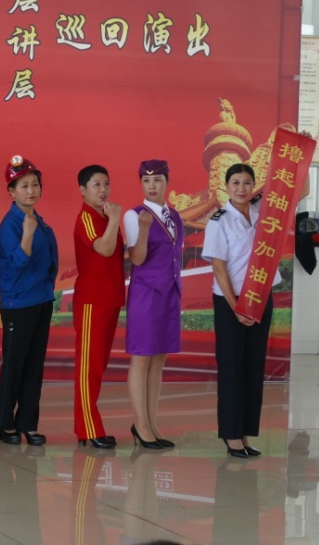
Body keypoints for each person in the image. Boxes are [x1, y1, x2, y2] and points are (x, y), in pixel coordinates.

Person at [201, 163, 284, 458]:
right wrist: (235, 307)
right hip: (231, 301)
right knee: (232, 366)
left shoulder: (264, 212)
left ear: (253, 186)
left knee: (253, 365)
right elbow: (219, 267)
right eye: (235, 182)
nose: (241, 188)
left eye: (247, 182)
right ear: (226, 187)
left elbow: (299, 191)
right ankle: (231, 434)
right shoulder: (219, 221)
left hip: (261, 296)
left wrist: (307, 152)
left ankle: (246, 432)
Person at [0, 156, 57, 446]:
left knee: (34, 365)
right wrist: (28, 234)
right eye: (23, 186)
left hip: (41, 300)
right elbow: (17, 263)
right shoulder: (11, 225)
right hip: (18, 305)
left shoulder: (37, 220)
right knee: (14, 364)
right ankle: (6, 423)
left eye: (35, 184)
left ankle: (28, 423)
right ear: (12, 191)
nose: (31, 190)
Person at [122, 159, 183, 450]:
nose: (152, 186)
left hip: (170, 293)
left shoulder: (176, 216)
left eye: (157, 180)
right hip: (146, 295)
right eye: (146, 181)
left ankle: (152, 424)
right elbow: (137, 259)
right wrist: (144, 230)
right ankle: (141, 425)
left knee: (159, 359)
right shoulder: (134, 216)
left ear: (167, 182)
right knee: (142, 358)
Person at [71, 164, 126, 449]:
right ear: (83, 190)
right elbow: (104, 249)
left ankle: (91, 427)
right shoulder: (87, 217)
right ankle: (88, 429)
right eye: (96, 185)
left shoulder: (105, 216)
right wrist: (115, 218)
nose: (103, 190)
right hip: (92, 301)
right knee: (88, 367)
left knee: (99, 365)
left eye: (106, 183)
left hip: (110, 299)